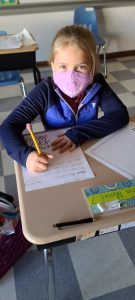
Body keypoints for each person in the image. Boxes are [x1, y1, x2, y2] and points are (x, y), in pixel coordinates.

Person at [0, 25, 129, 173]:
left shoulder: (97, 83)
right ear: (52, 65)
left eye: (81, 66)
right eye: (63, 66)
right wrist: (26, 156)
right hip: (58, 156)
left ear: (92, 67)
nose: (71, 76)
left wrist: (79, 133)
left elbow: (119, 113)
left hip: (89, 147)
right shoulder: (45, 91)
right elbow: (8, 126)